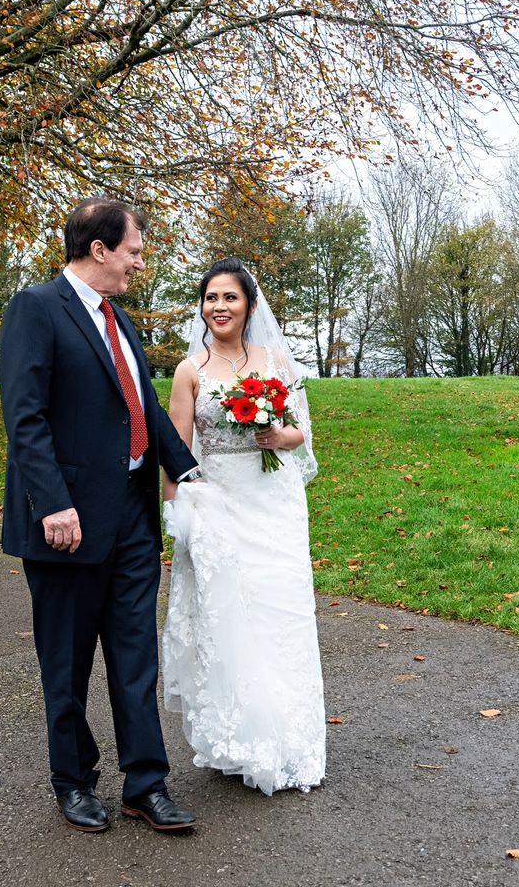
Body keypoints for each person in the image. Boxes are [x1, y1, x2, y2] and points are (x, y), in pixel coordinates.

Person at [0, 196, 203, 834]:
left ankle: (147, 783)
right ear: (99, 250)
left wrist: (190, 472)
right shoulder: (36, 309)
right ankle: (74, 782)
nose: (139, 264)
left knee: (136, 656)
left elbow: (140, 405)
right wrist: (52, 502)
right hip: (68, 525)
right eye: (135, 252)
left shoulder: (118, 320)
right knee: (67, 663)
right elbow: (24, 416)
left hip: (134, 522)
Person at [161, 257, 326, 795]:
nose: (219, 307)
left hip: (274, 501)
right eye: (210, 298)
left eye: (229, 297)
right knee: (232, 616)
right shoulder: (191, 371)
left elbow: (300, 432)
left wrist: (282, 438)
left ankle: (293, 743)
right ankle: (241, 740)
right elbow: (176, 451)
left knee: (283, 614)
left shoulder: (274, 359)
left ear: (249, 305)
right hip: (221, 503)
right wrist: (178, 512)